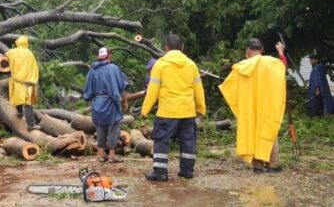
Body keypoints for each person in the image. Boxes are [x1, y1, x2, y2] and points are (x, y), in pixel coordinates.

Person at [142, 34, 206, 181]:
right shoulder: (191, 65)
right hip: (187, 111)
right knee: (188, 141)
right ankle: (187, 171)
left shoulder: (161, 64)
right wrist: (201, 108)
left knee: (162, 140)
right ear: (182, 47)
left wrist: (145, 109)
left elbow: (153, 90)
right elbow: (198, 88)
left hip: (167, 111)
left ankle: (160, 172)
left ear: (166, 47)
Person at [219, 38, 287, 174]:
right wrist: (281, 52)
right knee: (269, 133)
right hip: (268, 106)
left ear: (247, 50)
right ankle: (272, 165)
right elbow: (283, 68)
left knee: (252, 133)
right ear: (262, 50)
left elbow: (228, 87)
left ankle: (258, 166)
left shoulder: (242, 66)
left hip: (250, 109)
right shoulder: (272, 63)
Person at [83, 47, 129, 163]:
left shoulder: (92, 70)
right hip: (111, 102)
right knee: (113, 127)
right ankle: (112, 155)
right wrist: (124, 101)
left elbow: (88, 91)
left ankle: (101, 154)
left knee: (100, 128)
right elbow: (122, 86)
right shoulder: (113, 68)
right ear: (108, 56)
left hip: (97, 103)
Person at [5, 35, 40, 131]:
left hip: (16, 81)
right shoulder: (29, 53)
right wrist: (33, 80)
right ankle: (31, 126)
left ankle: (19, 113)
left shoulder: (12, 52)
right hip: (27, 82)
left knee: (18, 99)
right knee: (27, 104)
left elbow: (5, 54)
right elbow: (34, 67)